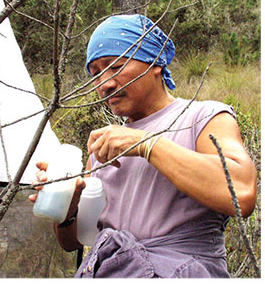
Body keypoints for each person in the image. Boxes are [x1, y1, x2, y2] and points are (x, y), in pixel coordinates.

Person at [31, 14, 257, 278]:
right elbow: (73, 242)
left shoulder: (203, 117)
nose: (105, 84)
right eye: (96, 74)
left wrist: (145, 142)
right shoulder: (104, 146)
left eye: (116, 66)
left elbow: (241, 193)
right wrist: (67, 206)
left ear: (155, 62)